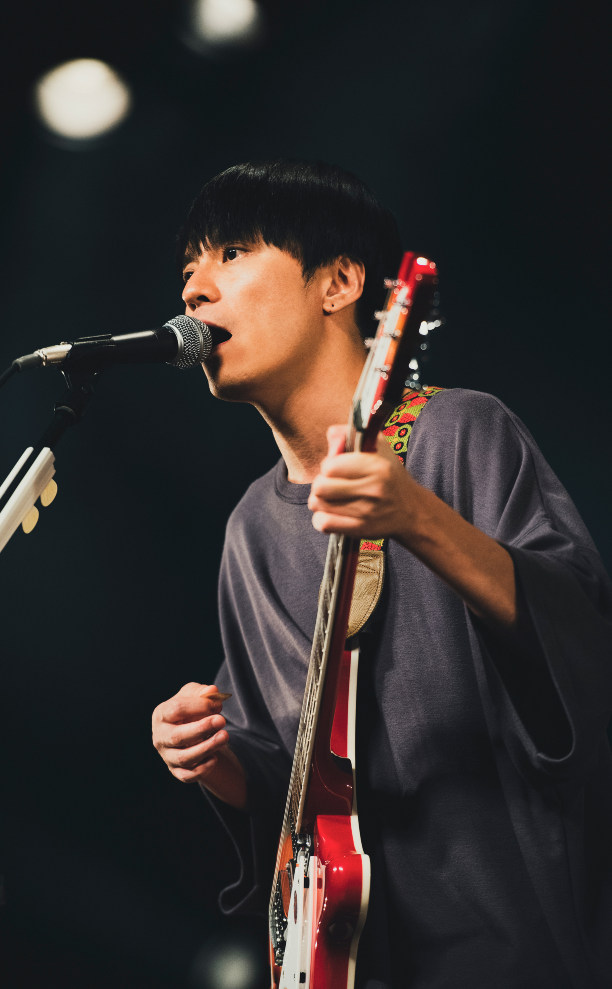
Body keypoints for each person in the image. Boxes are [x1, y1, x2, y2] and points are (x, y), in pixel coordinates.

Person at [152, 160, 612, 988]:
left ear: (339, 283)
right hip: (359, 959)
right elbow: (287, 775)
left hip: (511, 941)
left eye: (231, 252)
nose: (193, 288)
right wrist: (212, 757)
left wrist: (420, 518)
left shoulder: (460, 433)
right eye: (188, 267)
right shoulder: (250, 530)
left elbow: (581, 632)